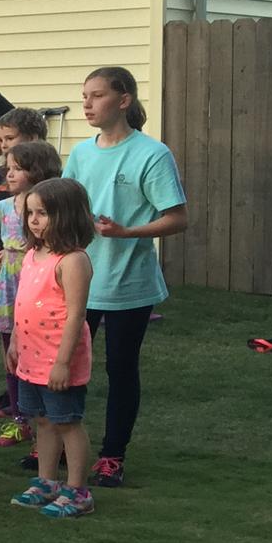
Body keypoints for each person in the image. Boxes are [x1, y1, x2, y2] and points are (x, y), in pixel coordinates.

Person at [62, 67, 186, 488]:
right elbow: (64, 210)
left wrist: (127, 232)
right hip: (81, 280)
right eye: (84, 96)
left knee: (120, 368)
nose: (87, 104)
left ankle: (112, 456)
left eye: (96, 96)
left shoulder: (151, 154)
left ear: (124, 100)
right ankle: (63, 441)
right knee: (66, 362)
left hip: (129, 284)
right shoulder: (81, 153)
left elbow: (177, 218)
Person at [8, 178, 98, 518]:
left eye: (42, 213)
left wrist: (62, 363)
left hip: (58, 358)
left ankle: (77, 491)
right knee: (42, 421)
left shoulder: (73, 261)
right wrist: (16, 340)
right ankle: (47, 482)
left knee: (67, 422)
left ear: (66, 215)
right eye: (30, 213)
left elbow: (76, 315)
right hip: (31, 356)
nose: (33, 220)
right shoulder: (33, 253)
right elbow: (23, 303)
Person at [0, 140, 62, 451]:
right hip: (9, 282)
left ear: (37, 170)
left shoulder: (42, 206)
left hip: (35, 281)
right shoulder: (5, 205)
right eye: (9, 167)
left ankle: (46, 423)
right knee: (10, 353)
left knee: (38, 351)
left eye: (17, 168)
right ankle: (19, 420)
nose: (9, 173)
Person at [0, 107, 47, 216]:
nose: (3, 145)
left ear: (32, 138)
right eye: (0, 140)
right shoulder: (0, 174)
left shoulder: (49, 172)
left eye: (10, 138)